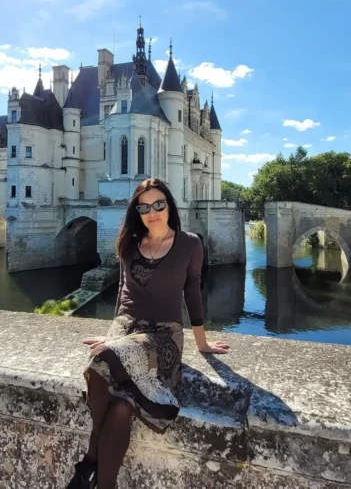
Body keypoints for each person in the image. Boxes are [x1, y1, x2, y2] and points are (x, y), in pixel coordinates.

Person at [67, 178, 231, 489]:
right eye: (144, 207)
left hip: (162, 338)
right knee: (121, 407)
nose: (152, 211)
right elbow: (122, 291)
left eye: (159, 204)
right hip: (126, 329)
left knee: (99, 359)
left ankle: (90, 458)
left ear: (169, 206)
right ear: (137, 212)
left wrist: (202, 343)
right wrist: (115, 337)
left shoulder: (190, 244)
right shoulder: (129, 242)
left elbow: (192, 293)